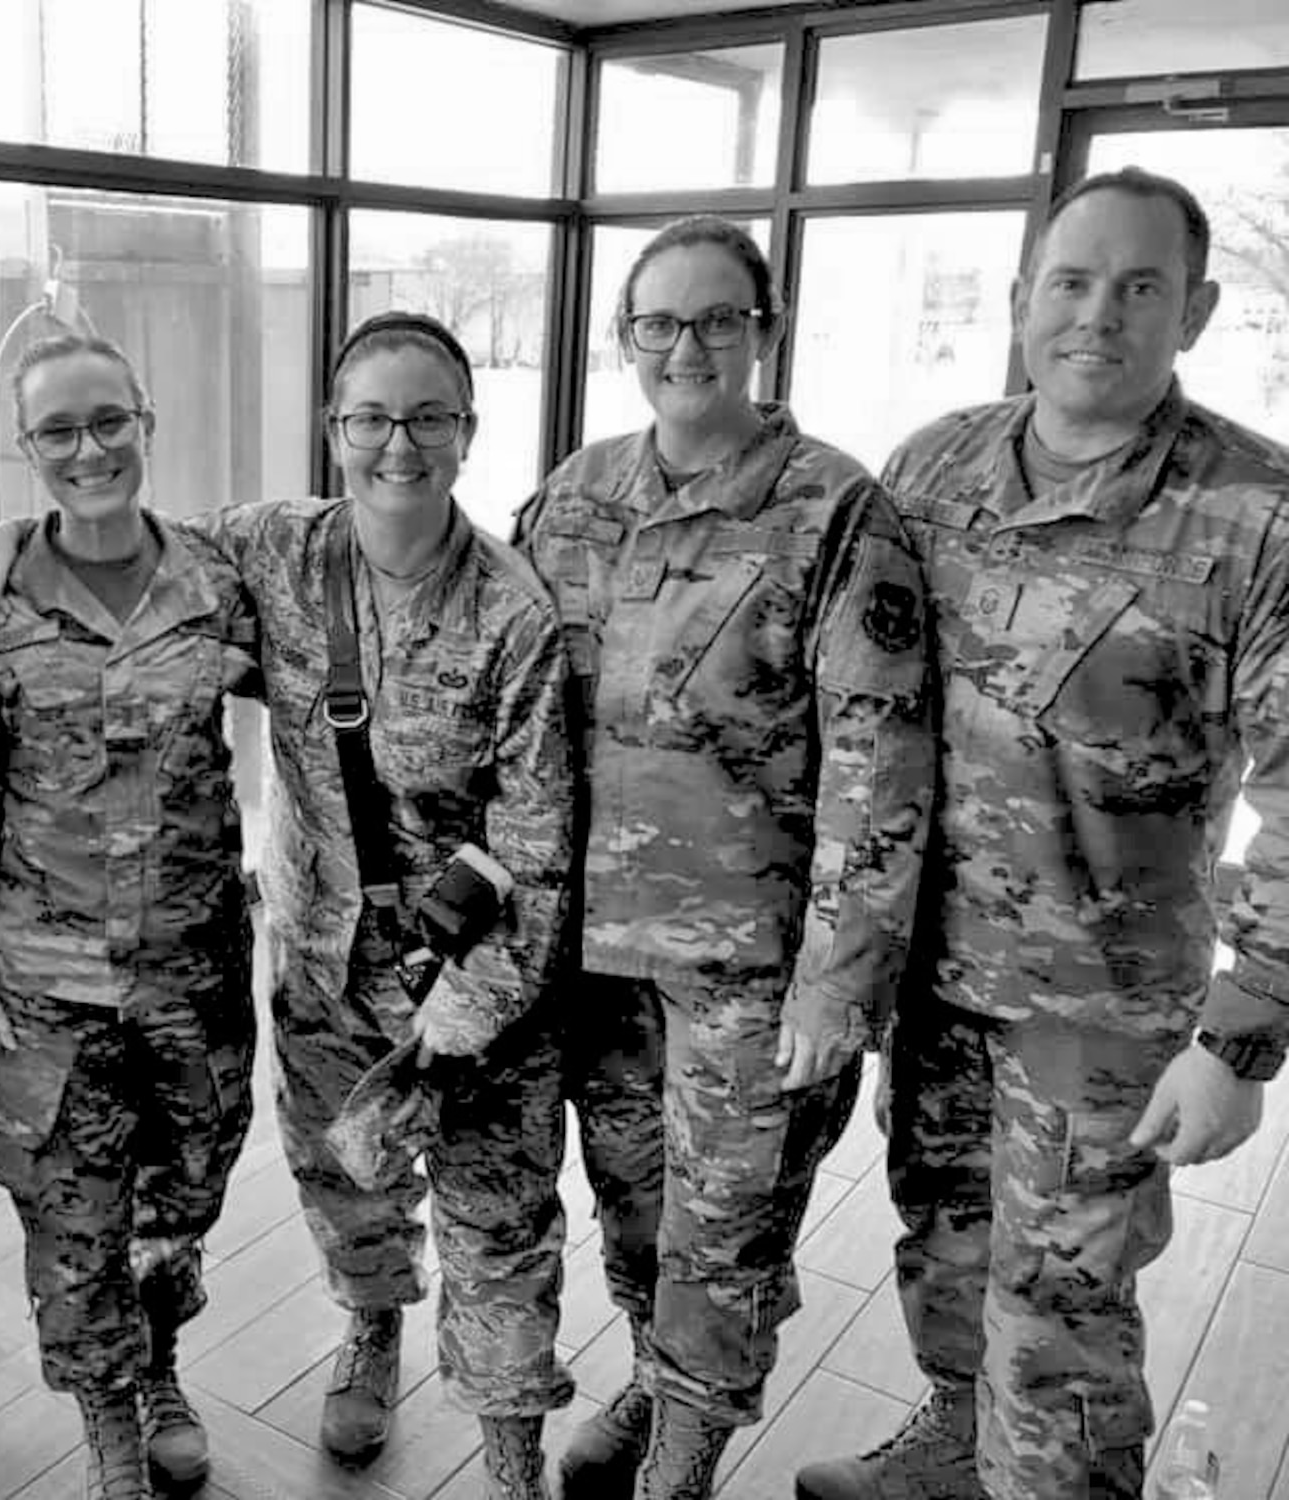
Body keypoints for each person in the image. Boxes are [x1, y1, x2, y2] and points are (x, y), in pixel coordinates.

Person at [0, 312, 579, 1500]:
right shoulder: (268, 551)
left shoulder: (513, 612)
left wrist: (453, 1027)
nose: (400, 443)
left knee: (500, 1235)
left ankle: (508, 1467)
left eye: (428, 416)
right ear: (333, 430)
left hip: (476, 997)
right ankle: (372, 1332)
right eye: (371, 418)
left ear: (466, 430)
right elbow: (114, 537)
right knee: (348, 1188)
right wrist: (7, 539)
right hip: (324, 963)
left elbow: (535, 846)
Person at [795, 167, 1289, 1500]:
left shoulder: (1259, 513)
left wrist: (1244, 1034)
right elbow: (858, 706)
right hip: (931, 977)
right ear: (1022, 300)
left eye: (1140, 287)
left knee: (1061, 1320)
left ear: (1196, 308)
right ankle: (956, 1441)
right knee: (946, 1247)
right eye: (1070, 282)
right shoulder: (932, 465)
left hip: (1102, 1010)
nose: (1098, 315)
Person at [511, 217, 936, 1499]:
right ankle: (654, 1374)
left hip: (751, 966)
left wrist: (836, 982)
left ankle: (685, 1449)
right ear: (621, 338)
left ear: (763, 328)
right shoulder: (574, 496)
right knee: (633, 1198)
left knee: (726, 1219)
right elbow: (509, 701)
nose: (685, 346)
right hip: (592, 953)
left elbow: (881, 759)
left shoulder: (833, 509)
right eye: (658, 323)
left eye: (716, 320)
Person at [0, 333, 260, 1500]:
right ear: (25, 450)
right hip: (45, 990)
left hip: (191, 978)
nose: (88, 449)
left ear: (146, 420)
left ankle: (158, 1362)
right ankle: (110, 1419)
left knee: (183, 1196)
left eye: (108, 420)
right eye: (57, 431)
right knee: (71, 1222)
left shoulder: (216, 581)